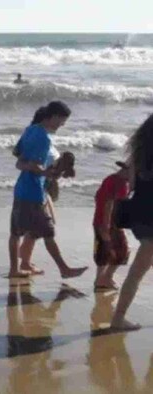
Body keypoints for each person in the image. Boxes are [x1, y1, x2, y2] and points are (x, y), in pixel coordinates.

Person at [8, 101, 88, 279]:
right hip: (34, 192)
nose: (63, 124)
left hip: (24, 189)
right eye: (62, 120)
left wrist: (48, 170)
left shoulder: (30, 130)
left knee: (18, 232)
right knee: (48, 232)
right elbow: (34, 165)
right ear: (53, 116)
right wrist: (47, 171)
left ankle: (18, 267)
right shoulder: (43, 138)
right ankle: (64, 269)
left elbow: (19, 158)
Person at [111, 114, 153, 331]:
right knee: (137, 271)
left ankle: (118, 317)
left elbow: (130, 182)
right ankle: (118, 318)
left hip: (140, 214)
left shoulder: (138, 153)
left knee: (138, 271)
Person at [92, 161, 131, 291]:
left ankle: (100, 279)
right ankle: (105, 278)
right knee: (121, 251)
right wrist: (106, 226)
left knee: (104, 251)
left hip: (99, 220)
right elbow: (109, 203)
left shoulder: (110, 178)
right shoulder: (121, 183)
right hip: (109, 223)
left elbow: (98, 197)